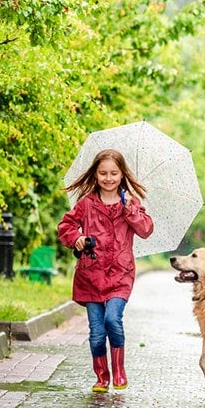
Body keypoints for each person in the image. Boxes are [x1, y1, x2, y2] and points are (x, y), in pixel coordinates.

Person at [58, 148, 154, 392]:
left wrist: (130, 210)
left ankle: (119, 371)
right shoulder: (87, 204)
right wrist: (77, 237)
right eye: (103, 173)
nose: (108, 178)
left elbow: (145, 229)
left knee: (113, 319)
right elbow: (66, 225)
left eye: (113, 173)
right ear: (96, 174)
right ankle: (102, 376)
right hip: (90, 276)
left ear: (122, 175)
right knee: (97, 333)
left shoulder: (131, 203)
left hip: (120, 275)